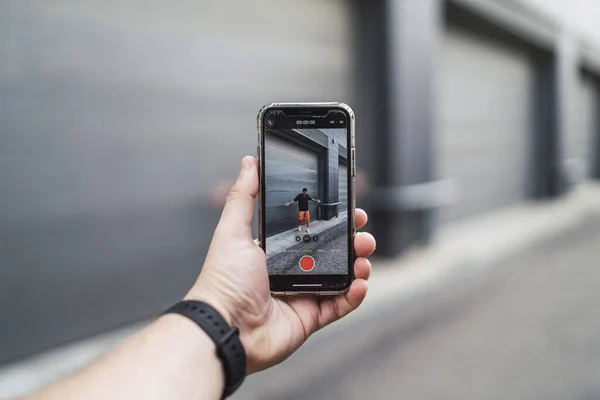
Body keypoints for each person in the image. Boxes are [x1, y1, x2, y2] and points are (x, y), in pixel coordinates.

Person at [25, 156, 375, 400]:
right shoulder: (298, 196)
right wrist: (224, 313)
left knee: (316, 228)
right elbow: (300, 200)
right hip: (287, 235)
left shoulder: (305, 195)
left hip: (235, 321)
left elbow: (311, 198)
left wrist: (222, 317)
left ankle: (304, 230)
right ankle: (302, 230)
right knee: (306, 225)